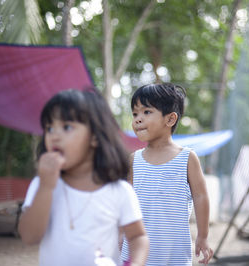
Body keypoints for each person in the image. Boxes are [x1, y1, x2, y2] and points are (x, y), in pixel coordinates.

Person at [18, 89, 149, 266]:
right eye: (49, 128)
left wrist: (135, 263)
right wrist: (46, 187)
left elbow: (138, 237)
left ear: (94, 137)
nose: (54, 136)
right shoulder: (42, 184)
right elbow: (29, 236)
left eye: (67, 127)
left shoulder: (119, 191)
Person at [121, 83, 214, 265]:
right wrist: (118, 233)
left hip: (173, 253)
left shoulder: (187, 158)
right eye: (135, 114)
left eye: (146, 112)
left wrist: (203, 236)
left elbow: (201, 196)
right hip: (136, 251)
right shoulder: (134, 159)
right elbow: (126, 201)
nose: (137, 119)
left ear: (170, 119)